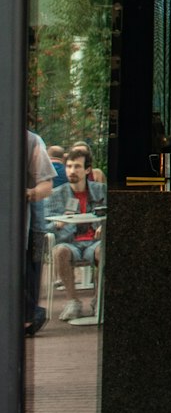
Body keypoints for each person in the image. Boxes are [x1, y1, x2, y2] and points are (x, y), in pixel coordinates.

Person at [48, 142, 107, 322]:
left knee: (103, 250)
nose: (71, 171)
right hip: (70, 241)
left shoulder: (101, 190)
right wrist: (56, 224)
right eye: (69, 166)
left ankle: (99, 300)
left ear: (87, 170)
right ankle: (73, 301)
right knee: (60, 251)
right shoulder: (57, 194)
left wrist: (103, 227)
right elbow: (45, 224)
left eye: (77, 167)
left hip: (94, 242)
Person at [25, 129, 55, 336]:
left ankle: (30, 317)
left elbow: (46, 185)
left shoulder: (31, 141)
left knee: (29, 276)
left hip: (31, 227)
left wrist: (29, 193)